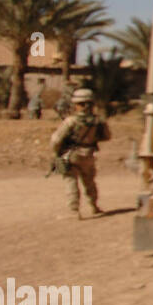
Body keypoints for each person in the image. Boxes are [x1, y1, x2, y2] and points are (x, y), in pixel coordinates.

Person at [50, 87, 110, 220]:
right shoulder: (98, 120)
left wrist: (55, 154)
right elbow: (107, 136)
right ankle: (94, 206)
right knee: (89, 181)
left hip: (70, 155)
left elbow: (55, 140)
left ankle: (73, 211)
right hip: (89, 154)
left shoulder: (71, 121)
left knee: (70, 181)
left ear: (77, 104)